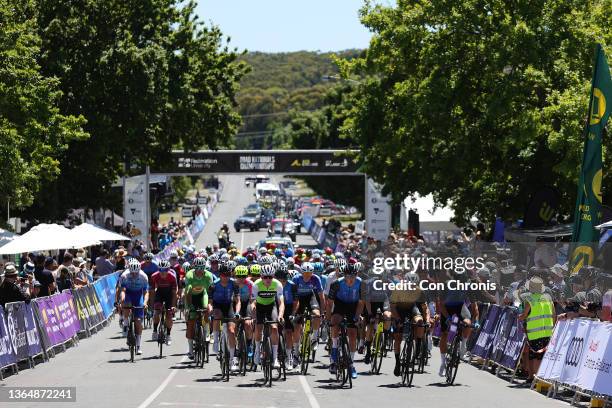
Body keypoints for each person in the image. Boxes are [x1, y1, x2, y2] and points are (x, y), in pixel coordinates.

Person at [326, 262, 364, 379]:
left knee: (352, 334)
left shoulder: (361, 284)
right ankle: (334, 347)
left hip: (353, 306)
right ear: (344, 275)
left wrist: (357, 317)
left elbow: (361, 303)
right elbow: (329, 303)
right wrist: (328, 319)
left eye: (353, 276)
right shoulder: (336, 284)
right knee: (335, 321)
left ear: (356, 274)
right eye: (348, 277)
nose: (351, 279)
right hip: (340, 305)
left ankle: (351, 364)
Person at [518, 276, 555, 383]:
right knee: (542, 356)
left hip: (534, 333)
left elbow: (524, 315)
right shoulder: (548, 298)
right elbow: (553, 315)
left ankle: (532, 377)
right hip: (547, 332)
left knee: (533, 355)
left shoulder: (530, 299)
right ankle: (540, 378)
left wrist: (520, 317)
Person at [251, 264, 285, 368]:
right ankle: (257, 350)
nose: (268, 279)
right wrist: (253, 314)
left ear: (273, 276)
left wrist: (280, 316)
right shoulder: (256, 285)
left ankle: (275, 358)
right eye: (265, 277)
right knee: (258, 327)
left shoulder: (278, 284)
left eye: (270, 277)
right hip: (260, 306)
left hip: (271, 306)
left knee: (274, 328)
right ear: (261, 277)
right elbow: (252, 302)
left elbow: (281, 303)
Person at [291, 262, 325, 364]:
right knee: (296, 327)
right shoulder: (296, 279)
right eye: (305, 273)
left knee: (317, 315)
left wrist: (322, 312)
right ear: (301, 272)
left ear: (312, 272)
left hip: (310, 298)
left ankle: (314, 338)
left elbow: (321, 296)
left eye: (309, 273)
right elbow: (293, 296)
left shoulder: (315, 279)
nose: (307, 275)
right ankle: (296, 353)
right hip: (299, 300)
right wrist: (293, 312)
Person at [209, 263, 241, 371]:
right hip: (217, 306)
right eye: (223, 275)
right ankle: (216, 340)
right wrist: (210, 309)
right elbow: (210, 302)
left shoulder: (234, 284)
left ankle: (233, 359)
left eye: (228, 274)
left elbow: (238, 300)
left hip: (229, 306)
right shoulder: (214, 285)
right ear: (220, 274)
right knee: (217, 315)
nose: (225, 277)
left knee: (231, 331)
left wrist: (237, 312)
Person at [184, 257, 215, 359]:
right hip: (191, 297)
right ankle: (190, 350)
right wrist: (189, 307)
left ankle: (207, 332)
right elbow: (187, 293)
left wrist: (211, 304)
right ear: (194, 267)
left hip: (203, 295)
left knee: (206, 309)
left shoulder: (209, 275)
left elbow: (211, 292)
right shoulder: (189, 275)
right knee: (191, 321)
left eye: (202, 268)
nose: (200, 271)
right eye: (197, 268)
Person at [119, 258, 149, 355]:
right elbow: (122, 290)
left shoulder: (144, 276)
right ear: (129, 270)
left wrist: (145, 302)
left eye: (136, 273)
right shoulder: (124, 275)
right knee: (126, 303)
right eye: (132, 273)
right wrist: (122, 299)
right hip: (128, 293)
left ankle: (138, 345)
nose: (134, 275)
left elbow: (146, 292)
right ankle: (126, 321)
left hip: (138, 295)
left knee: (138, 321)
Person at [150, 259, 177, 345]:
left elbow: (174, 293)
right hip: (159, 294)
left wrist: (173, 306)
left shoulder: (172, 277)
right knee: (156, 312)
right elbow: (152, 291)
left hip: (169, 294)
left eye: (165, 270)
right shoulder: (154, 276)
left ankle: (168, 335)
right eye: (160, 270)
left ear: (168, 270)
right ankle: (154, 330)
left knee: (169, 315)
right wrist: (152, 304)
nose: (163, 272)